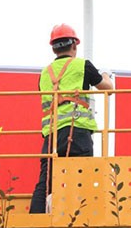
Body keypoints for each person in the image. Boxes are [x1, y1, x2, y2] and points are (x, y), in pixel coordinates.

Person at [29, 23, 113, 214]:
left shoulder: (44, 74)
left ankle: (36, 216)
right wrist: (106, 74)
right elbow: (107, 89)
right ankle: (83, 215)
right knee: (82, 175)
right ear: (74, 45)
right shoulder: (82, 65)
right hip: (77, 130)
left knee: (47, 178)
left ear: (53, 48)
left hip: (51, 134)